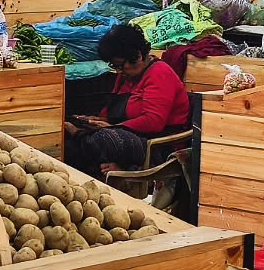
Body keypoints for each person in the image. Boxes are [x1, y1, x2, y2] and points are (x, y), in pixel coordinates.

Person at [64, 24, 190, 177]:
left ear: (137, 56)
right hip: (127, 134)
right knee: (68, 135)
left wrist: (113, 127)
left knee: (105, 139)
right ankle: (83, 139)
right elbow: (112, 108)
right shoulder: (126, 76)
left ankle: (83, 139)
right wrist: (95, 120)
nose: (118, 71)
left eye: (120, 65)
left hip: (158, 144)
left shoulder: (160, 73)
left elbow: (153, 121)